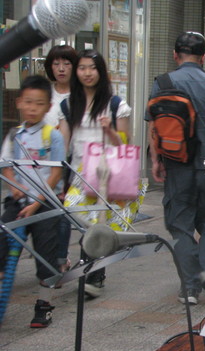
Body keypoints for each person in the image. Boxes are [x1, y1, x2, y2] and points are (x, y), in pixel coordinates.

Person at [147, 32, 205, 305]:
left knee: (180, 225)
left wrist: (156, 161)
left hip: (178, 166)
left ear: (175, 55)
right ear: (204, 57)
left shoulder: (162, 84)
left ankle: (189, 289)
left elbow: (154, 128)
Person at [58, 49, 132, 299]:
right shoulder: (68, 105)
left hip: (105, 175)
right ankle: (93, 271)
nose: (87, 73)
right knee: (83, 223)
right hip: (78, 175)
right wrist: (60, 177)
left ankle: (94, 275)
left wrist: (110, 132)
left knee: (98, 224)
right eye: (82, 68)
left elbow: (124, 144)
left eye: (92, 67)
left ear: (101, 71)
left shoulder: (115, 105)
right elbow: (65, 144)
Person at [0, 75, 65, 328]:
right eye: (28, 102)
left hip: (45, 204)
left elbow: (57, 173)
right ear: (18, 103)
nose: (32, 108)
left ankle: (44, 305)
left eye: (38, 104)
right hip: (17, 201)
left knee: (46, 257)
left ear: (48, 106)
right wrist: (15, 188)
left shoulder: (53, 136)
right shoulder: (15, 135)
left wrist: (37, 202)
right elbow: (5, 166)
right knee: (2, 241)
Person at [43, 44, 78, 274]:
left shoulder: (80, 95)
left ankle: (60, 258)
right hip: (44, 160)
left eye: (66, 63)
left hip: (71, 160)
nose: (61, 68)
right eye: (56, 64)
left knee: (64, 209)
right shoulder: (44, 93)